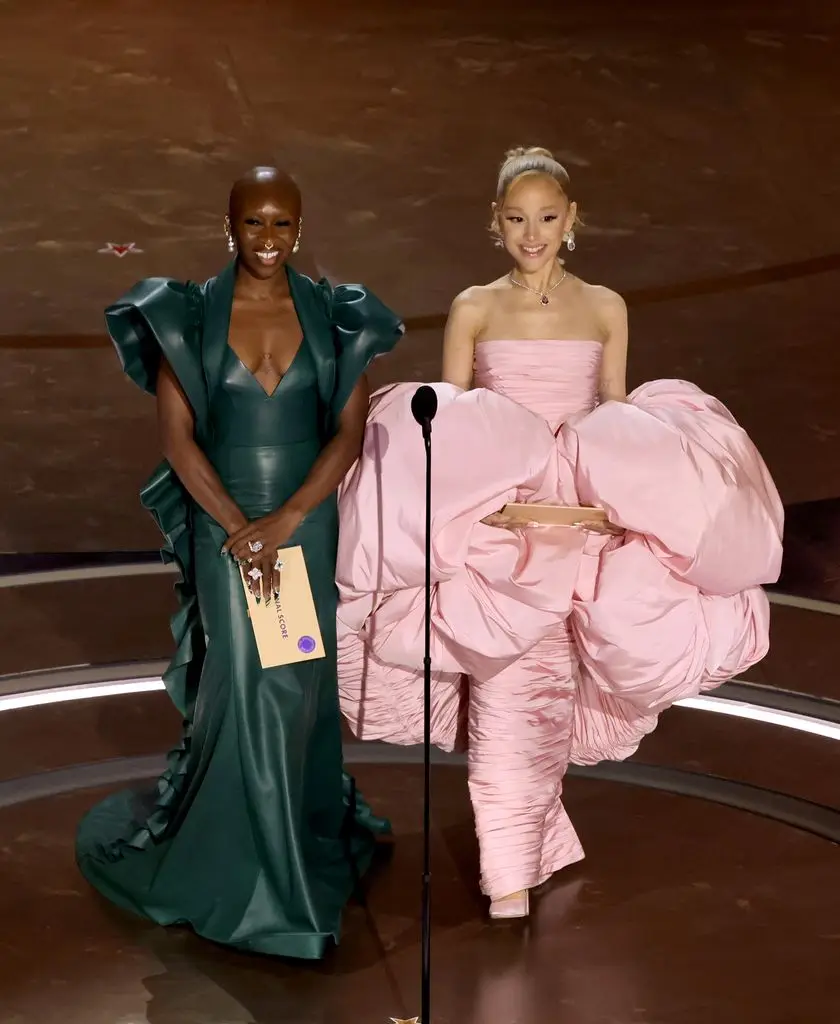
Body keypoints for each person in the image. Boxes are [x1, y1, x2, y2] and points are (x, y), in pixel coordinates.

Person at [336, 146, 783, 920]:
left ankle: (532, 844)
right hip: (505, 527)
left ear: (572, 221)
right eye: (516, 219)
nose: (531, 234)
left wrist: (614, 502)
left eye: (546, 218)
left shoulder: (606, 306)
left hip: (581, 515)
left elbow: (611, 415)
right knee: (516, 691)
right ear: (494, 224)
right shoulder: (474, 306)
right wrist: (479, 504)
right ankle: (507, 877)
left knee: (553, 695)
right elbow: (452, 418)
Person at [76, 166, 403, 957]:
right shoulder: (186, 316)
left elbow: (349, 436)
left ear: (300, 229)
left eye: (282, 225)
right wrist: (237, 529)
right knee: (244, 685)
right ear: (230, 227)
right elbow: (178, 441)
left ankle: (291, 841)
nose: (268, 239)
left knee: (291, 686)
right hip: (223, 526)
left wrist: (285, 522)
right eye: (253, 223)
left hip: (300, 526)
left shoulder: (334, 316)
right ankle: (265, 882)